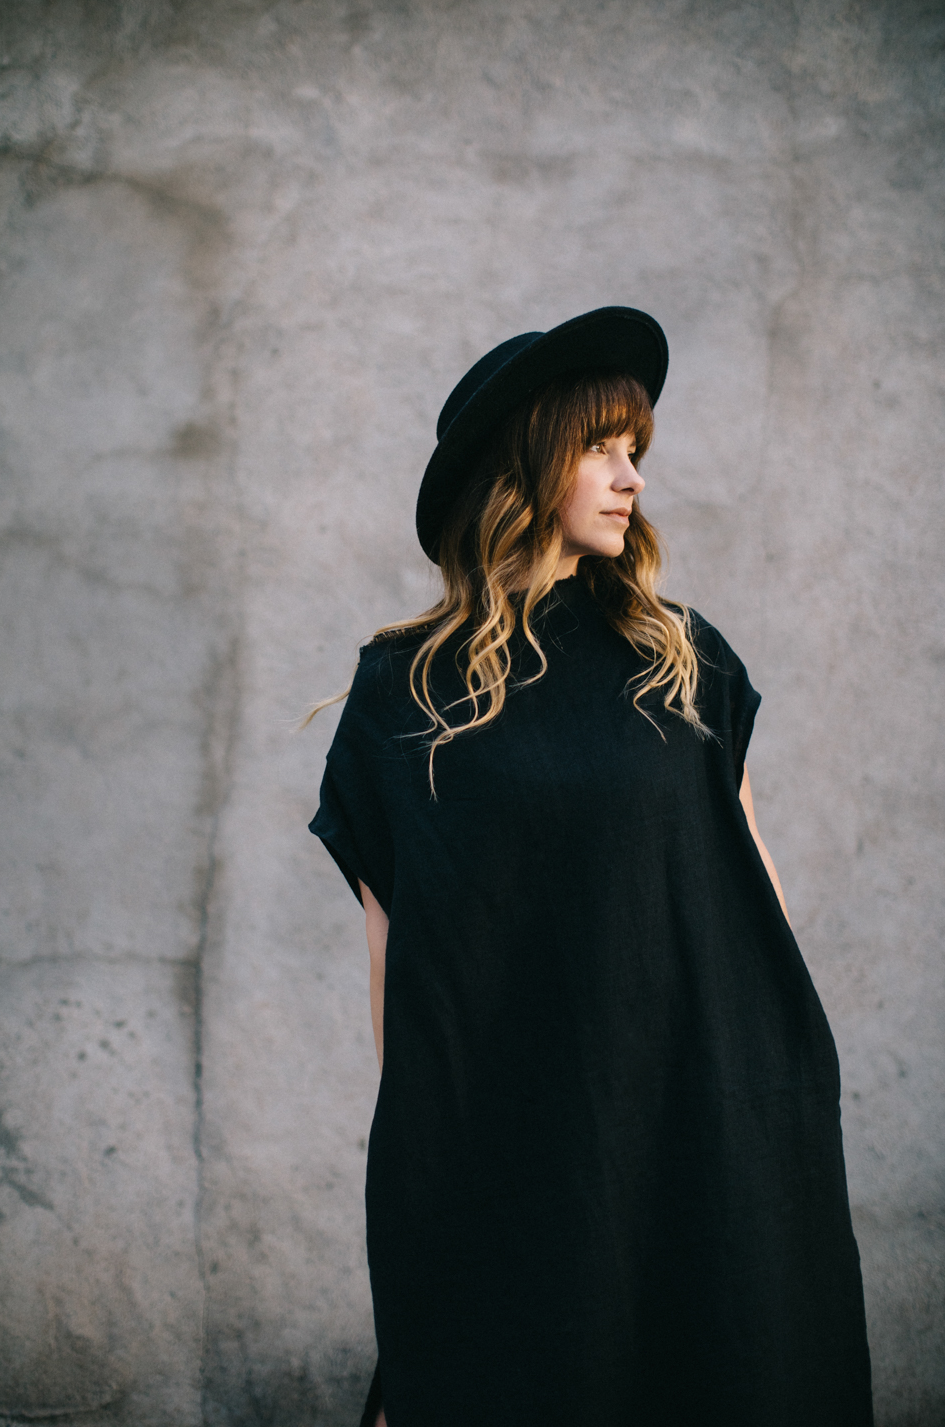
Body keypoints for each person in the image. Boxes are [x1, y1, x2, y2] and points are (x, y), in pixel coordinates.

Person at [308, 307, 872, 1427]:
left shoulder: (682, 658)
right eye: (601, 448)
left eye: (636, 451)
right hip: (526, 1138)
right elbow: (396, 961)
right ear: (525, 462)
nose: (632, 479)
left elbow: (754, 892)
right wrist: (430, 1175)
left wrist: (783, 1093)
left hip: (706, 1113)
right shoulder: (403, 692)